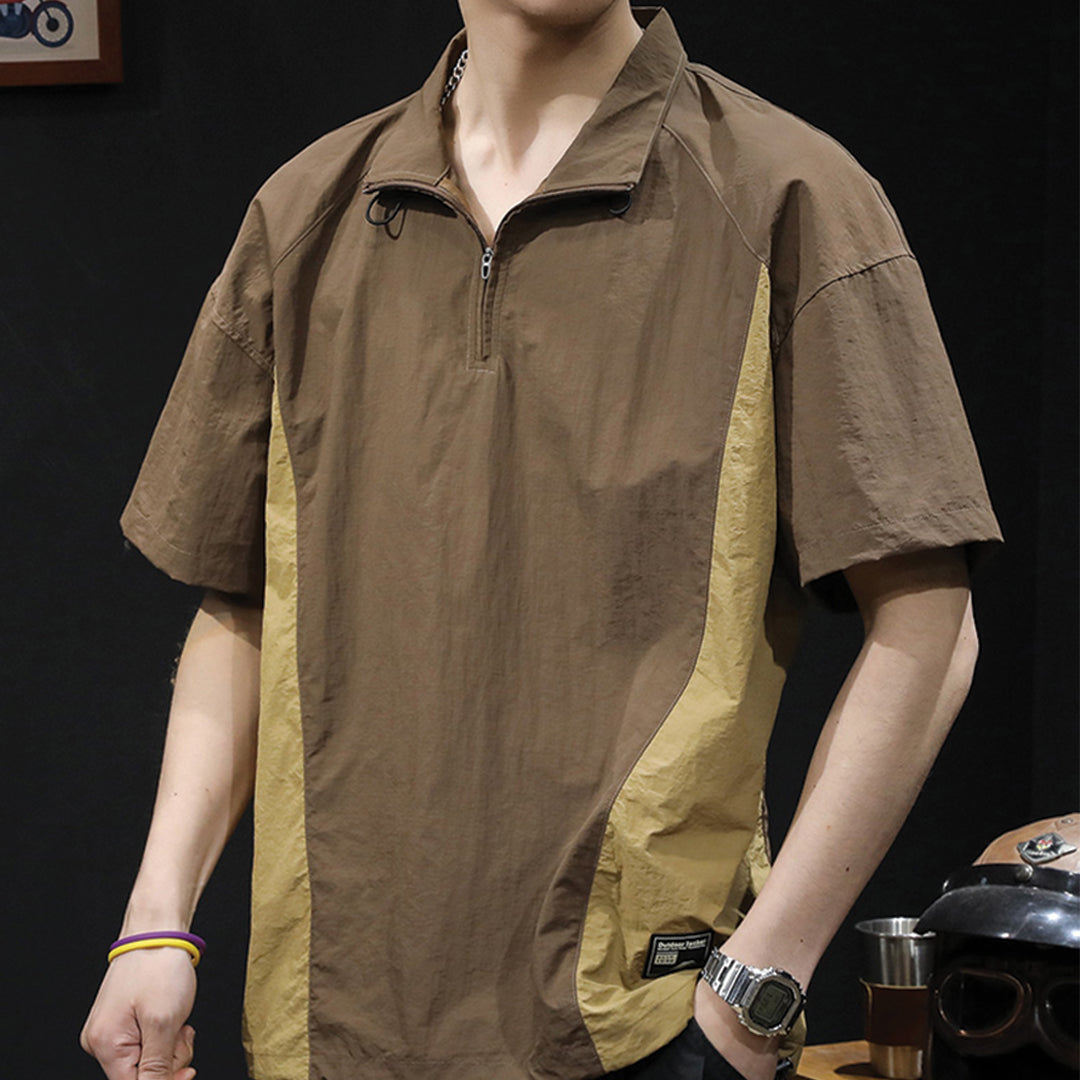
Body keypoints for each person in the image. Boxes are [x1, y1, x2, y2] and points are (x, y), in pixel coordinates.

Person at [80, 3, 1002, 1079]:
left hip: (640, 1024)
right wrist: (155, 923)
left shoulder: (787, 195)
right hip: (332, 1025)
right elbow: (241, 605)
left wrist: (756, 991)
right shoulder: (306, 213)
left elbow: (931, 625)